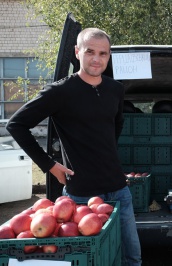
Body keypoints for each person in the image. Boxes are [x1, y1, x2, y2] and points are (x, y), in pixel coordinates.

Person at [6, 28, 141, 266]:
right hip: (81, 195)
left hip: (119, 190)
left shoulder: (115, 90)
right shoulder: (60, 91)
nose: (97, 59)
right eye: (90, 51)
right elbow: (17, 125)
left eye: (103, 53)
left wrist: (104, 154)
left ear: (109, 57)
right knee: (94, 261)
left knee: (131, 257)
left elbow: (116, 125)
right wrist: (49, 165)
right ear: (77, 52)